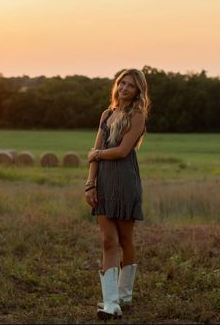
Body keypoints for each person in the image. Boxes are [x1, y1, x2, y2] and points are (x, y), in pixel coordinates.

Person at [85, 68, 150, 320]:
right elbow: (95, 150)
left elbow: (122, 151)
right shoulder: (106, 114)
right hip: (103, 184)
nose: (124, 88)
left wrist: (97, 154)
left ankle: (125, 295)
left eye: (130, 86)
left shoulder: (137, 116)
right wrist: (90, 184)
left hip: (125, 183)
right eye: (122, 83)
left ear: (137, 92)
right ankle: (111, 304)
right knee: (107, 241)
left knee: (125, 240)